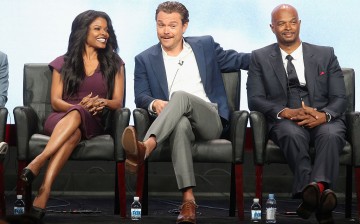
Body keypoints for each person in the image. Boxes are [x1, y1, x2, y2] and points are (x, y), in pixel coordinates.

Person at [121, 1, 250, 223]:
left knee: (179, 96)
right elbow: (141, 95)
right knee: (179, 124)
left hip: (210, 120)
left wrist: (274, 54)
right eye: (161, 25)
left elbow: (238, 59)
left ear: (184, 26)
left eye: (172, 25)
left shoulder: (204, 46)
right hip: (176, 122)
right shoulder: (144, 59)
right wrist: (154, 104)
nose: (166, 31)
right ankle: (188, 202)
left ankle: (147, 147)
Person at [19, 10, 125, 219]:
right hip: (60, 118)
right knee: (75, 120)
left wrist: (101, 102)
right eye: (97, 29)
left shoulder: (114, 62)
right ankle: (44, 190)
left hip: (93, 122)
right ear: (82, 32)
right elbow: (56, 101)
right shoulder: (63, 62)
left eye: (106, 29)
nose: (104, 33)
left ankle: (39, 163)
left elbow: (118, 102)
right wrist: (77, 108)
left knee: (76, 130)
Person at [247, 4, 346, 224]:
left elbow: (340, 98)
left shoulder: (325, 54)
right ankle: (321, 195)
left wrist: (324, 115)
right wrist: (286, 112)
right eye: (281, 23)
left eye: (292, 22)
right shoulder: (259, 57)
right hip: (286, 119)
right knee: (291, 134)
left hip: (322, 116)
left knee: (331, 134)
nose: (288, 27)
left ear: (299, 24)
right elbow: (254, 99)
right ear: (272, 27)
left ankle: (312, 192)